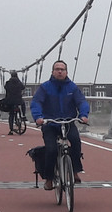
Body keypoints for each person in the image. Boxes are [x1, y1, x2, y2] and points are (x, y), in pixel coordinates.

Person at [30, 60, 90, 189]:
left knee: (75, 141)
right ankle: (49, 179)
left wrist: (83, 115)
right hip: (50, 123)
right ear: (52, 72)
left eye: (62, 69)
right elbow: (36, 103)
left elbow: (81, 102)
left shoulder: (72, 88)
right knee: (51, 150)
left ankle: (75, 171)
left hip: (68, 122)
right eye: (57, 69)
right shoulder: (45, 87)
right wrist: (39, 117)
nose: (60, 71)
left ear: (66, 72)